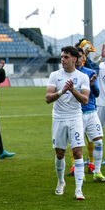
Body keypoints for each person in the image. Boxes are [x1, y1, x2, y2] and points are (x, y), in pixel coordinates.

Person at [45, 46, 90, 200]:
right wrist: (62, 91)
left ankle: (79, 190)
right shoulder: (54, 75)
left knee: (77, 152)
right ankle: (60, 182)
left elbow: (85, 100)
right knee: (60, 154)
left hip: (75, 118)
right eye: (62, 57)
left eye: (66, 57)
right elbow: (48, 98)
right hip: (58, 118)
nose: (62, 60)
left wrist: (72, 90)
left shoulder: (82, 77)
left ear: (74, 59)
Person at [68, 48, 105, 182]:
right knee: (77, 145)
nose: (81, 58)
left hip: (91, 112)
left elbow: (97, 93)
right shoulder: (70, 74)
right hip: (77, 114)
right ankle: (79, 172)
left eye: (82, 56)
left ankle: (97, 172)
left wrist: (92, 84)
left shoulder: (90, 72)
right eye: (78, 56)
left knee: (98, 142)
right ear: (74, 58)